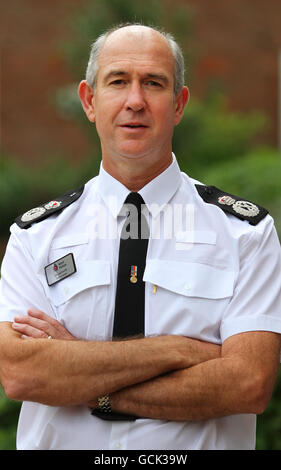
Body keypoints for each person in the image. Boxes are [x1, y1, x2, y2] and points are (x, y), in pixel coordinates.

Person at [0, 23, 281, 451]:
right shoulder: (35, 236)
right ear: (90, 101)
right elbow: (21, 373)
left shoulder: (246, 233)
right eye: (118, 82)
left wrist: (78, 371)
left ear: (179, 104)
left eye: (154, 83)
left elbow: (247, 384)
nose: (135, 101)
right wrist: (180, 351)